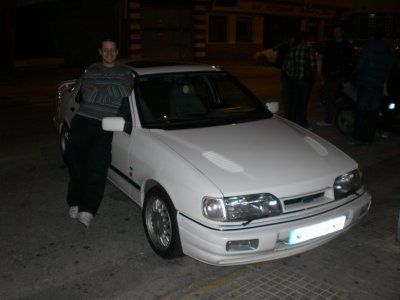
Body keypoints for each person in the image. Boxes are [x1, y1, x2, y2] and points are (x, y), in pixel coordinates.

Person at [66, 38, 133, 227]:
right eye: (106, 50)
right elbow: (87, 95)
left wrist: (99, 89)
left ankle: (88, 209)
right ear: (100, 51)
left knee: (97, 167)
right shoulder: (92, 70)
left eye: (112, 50)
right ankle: (75, 201)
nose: (109, 53)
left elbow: (126, 90)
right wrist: (111, 91)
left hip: (105, 124)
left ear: (117, 52)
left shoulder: (125, 73)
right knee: (76, 163)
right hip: (82, 121)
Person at [353, 30, 395, 144]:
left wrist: (356, 71)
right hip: (378, 85)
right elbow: (389, 68)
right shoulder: (388, 50)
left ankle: (357, 136)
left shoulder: (368, 48)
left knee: (361, 111)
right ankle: (369, 137)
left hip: (366, 83)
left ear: (373, 37)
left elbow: (359, 66)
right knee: (373, 112)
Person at [318, 25, 356, 127]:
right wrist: (324, 75)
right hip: (331, 76)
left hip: (343, 76)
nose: (335, 33)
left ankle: (348, 119)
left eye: (337, 31)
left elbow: (351, 62)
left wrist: (348, 76)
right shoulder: (330, 44)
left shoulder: (347, 45)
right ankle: (328, 119)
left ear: (342, 32)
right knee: (328, 97)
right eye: (334, 31)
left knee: (348, 98)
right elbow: (326, 60)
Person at [281, 32, 317, 128]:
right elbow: (313, 66)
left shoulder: (292, 50)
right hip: (305, 81)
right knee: (303, 103)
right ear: (305, 40)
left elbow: (285, 66)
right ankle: (302, 124)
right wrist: (314, 77)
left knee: (295, 103)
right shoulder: (308, 50)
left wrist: (292, 74)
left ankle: (294, 124)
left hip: (294, 81)